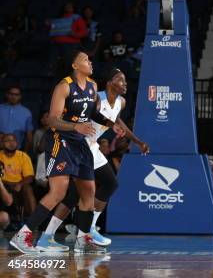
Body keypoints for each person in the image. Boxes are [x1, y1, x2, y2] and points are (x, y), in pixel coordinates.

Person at [10, 50, 126, 254]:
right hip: (60, 140)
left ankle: (83, 239)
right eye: (84, 59)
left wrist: (110, 123)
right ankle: (23, 235)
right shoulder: (64, 87)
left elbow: (92, 113)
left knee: (88, 190)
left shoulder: (92, 86)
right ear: (74, 66)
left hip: (80, 143)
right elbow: (52, 119)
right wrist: (75, 127)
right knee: (59, 191)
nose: (89, 62)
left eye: (89, 59)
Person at [38, 68, 150, 251]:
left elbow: (117, 121)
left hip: (92, 147)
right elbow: (83, 116)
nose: (125, 83)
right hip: (78, 145)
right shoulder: (95, 97)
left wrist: (137, 141)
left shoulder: (121, 102)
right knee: (78, 192)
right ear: (109, 82)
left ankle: (85, 229)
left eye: (125, 80)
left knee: (108, 184)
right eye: (120, 80)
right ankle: (56, 236)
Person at [0, 133, 36, 216]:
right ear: (2, 144)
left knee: (28, 189)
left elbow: (30, 177)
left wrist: (20, 184)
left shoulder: (23, 156)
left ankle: (33, 221)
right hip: (3, 184)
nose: (11, 143)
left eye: (13, 140)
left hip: (19, 184)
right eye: (8, 140)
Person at [0, 86, 34, 152]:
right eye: (11, 94)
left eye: (16, 95)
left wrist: (25, 153)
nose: (13, 97)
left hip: (16, 151)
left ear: (20, 96)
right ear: (7, 95)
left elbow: (29, 136)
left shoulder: (26, 112)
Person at [0, 165, 14, 230]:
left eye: (1, 169)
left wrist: (0, 183)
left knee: (4, 216)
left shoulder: (6, 185)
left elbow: (8, 202)